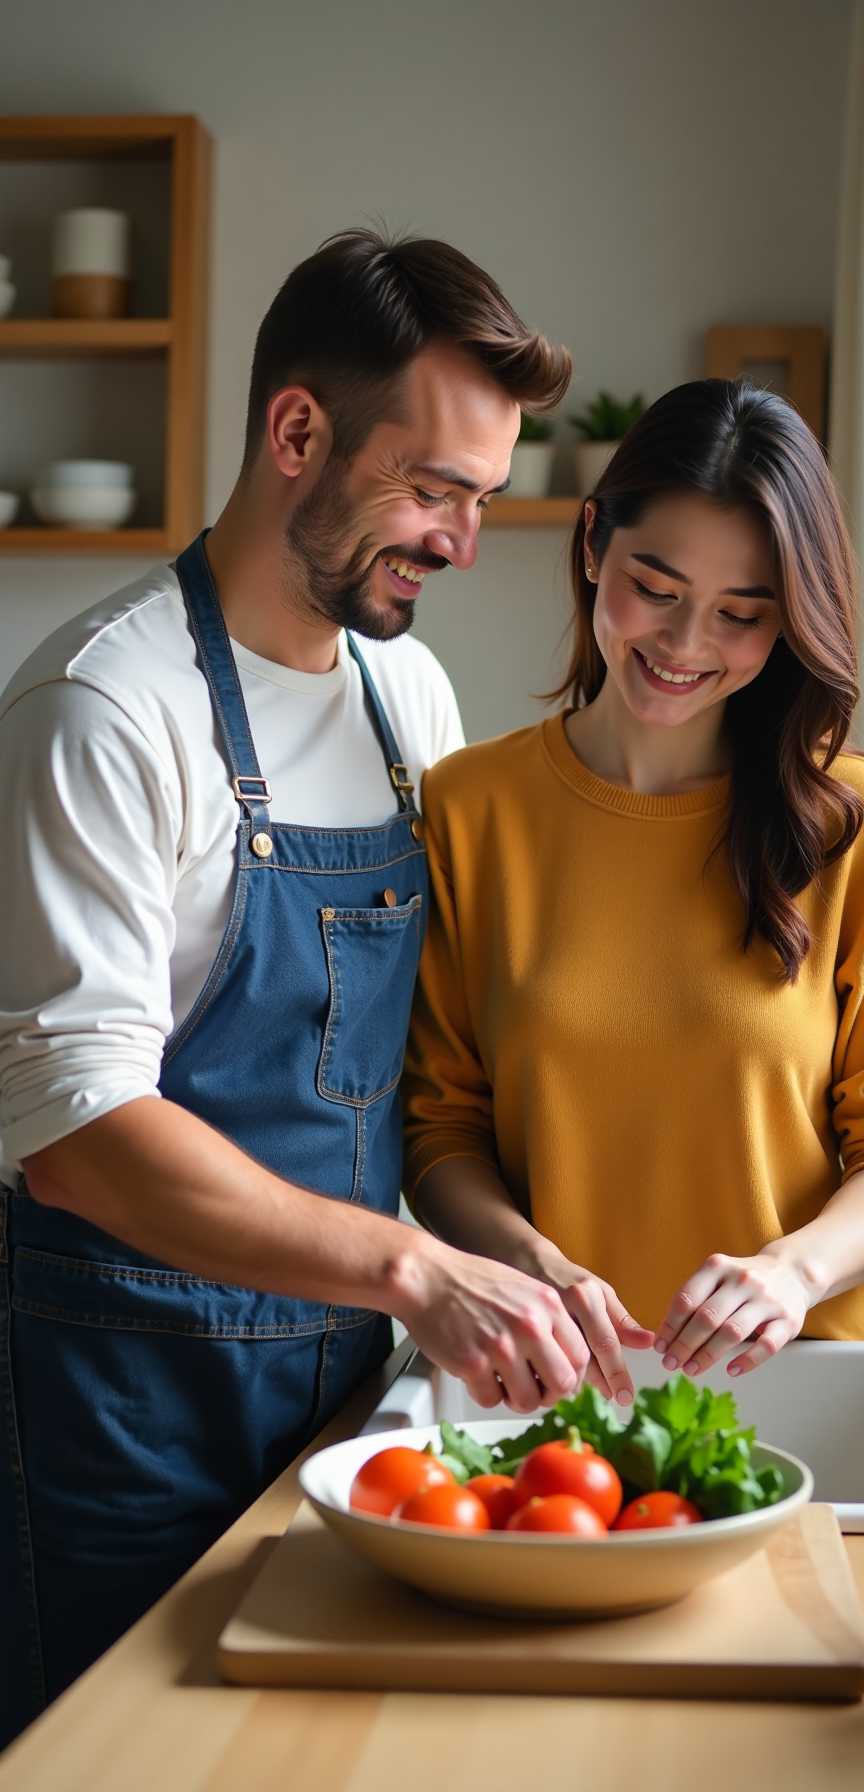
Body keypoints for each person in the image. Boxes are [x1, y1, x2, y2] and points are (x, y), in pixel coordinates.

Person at [0, 228, 592, 1746]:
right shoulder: (103, 708)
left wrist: (512, 1258)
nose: (464, 540)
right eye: (436, 487)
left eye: (483, 496)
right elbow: (75, 1133)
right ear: (296, 432)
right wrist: (412, 1272)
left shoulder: (409, 697)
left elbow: (420, 1072)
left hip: (341, 1403)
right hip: (122, 1410)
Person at [402, 378, 864, 1410]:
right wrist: (531, 1263)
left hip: (811, 1389)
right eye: (654, 588)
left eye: (741, 615)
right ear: (592, 544)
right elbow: (440, 1128)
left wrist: (793, 1271)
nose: (685, 643)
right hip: (557, 1383)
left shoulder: (862, 825)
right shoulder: (469, 807)